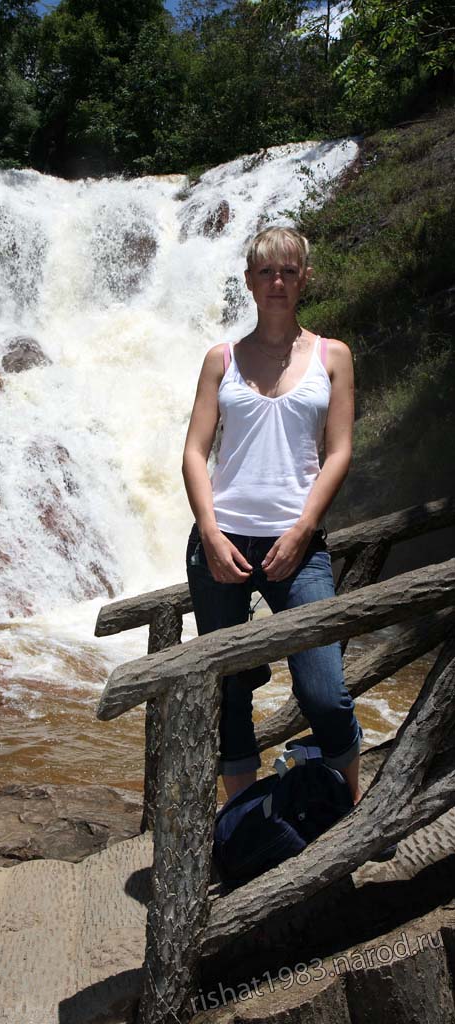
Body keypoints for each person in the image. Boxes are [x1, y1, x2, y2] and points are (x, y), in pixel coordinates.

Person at [182, 225, 362, 806]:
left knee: (324, 688)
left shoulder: (333, 357)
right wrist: (208, 532)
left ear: (305, 278)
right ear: (249, 283)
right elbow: (194, 451)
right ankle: (243, 818)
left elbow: (338, 452)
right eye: (266, 271)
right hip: (223, 539)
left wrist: (304, 527)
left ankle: (349, 811)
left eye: (288, 270)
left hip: (298, 542)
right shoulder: (222, 359)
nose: (277, 281)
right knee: (229, 688)